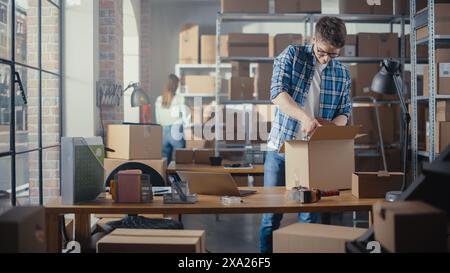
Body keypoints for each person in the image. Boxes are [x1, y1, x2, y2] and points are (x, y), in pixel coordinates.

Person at [259, 16, 352, 253]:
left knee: (309, 219)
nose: (326, 59)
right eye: (322, 52)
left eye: (333, 54)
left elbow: (345, 112)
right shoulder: (292, 55)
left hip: (314, 155)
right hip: (281, 150)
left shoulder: (342, 73)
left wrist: (333, 127)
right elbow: (278, 94)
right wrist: (306, 119)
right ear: (313, 40)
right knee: (271, 219)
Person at [155, 74, 191, 163]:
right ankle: (177, 177)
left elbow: (158, 119)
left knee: (164, 162)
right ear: (176, 85)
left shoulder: (159, 99)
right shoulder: (180, 99)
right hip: (176, 129)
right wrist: (188, 126)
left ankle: (165, 177)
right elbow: (186, 116)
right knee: (180, 161)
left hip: (163, 131)